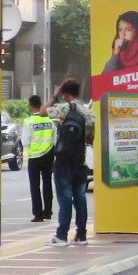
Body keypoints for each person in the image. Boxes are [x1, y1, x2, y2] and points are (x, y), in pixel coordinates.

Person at [49, 79, 92, 246]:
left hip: (63, 161)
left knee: (65, 198)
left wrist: (54, 96)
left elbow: (43, 111)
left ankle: (61, 236)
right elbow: (90, 138)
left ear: (65, 94)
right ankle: (81, 236)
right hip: (80, 161)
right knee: (80, 198)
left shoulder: (64, 108)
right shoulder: (87, 113)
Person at [23, 93, 57, 222]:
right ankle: (48, 212)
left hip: (34, 157)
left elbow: (25, 142)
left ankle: (38, 214)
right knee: (47, 183)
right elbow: (55, 138)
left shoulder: (28, 122)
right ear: (40, 103)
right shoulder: (50, 120)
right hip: (48, 155)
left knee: (35, 185)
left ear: (31, 106)